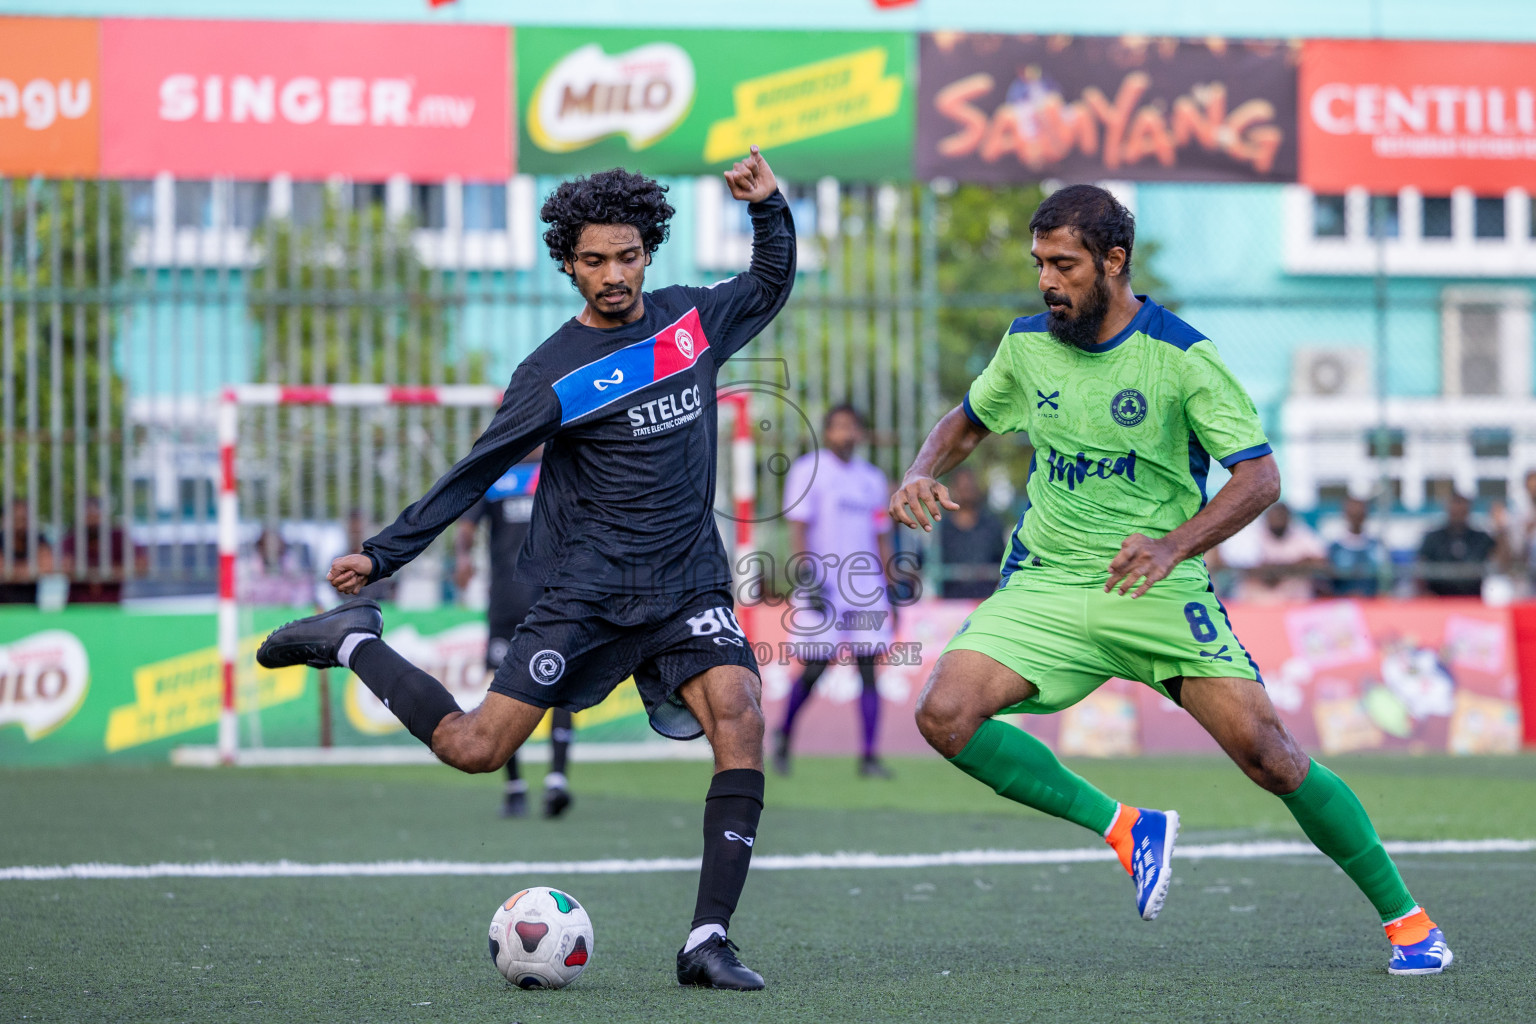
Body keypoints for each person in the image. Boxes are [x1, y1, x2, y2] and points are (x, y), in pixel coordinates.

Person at [258, 148, 794, 991]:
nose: (612, 275)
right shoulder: (552, 373)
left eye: (625, 255)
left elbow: (767, 282)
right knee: (476, 747)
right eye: (592, 260)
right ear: (567, 263)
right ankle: (352, 643)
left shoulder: (690, 324)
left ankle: (706, 940)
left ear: (648, 248)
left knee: (741, 711)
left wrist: (769, 207)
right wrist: (385, 553)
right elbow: (473, 471)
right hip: (587, 590)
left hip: (688, 578)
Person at [889, 184, 1451, 976]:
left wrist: (1173, 546)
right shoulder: (1026, 345)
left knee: (1271, 757)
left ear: (1114, 262)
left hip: (1158, 587)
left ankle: (1409, 921)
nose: (1047, 282)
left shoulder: (1184, 356)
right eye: (1039, 264)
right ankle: (1126, 828)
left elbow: (1259, 479)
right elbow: (968, 420)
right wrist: (919, 469)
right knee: (945, 714)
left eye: (1065, 265)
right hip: (1048, 581)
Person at [773, 404, 897, 779]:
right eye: (839, 427)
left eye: (852, 427)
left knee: (869, 671)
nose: (846, 433)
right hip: (822, 584)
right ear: (827, 433)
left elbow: (881, 536)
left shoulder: (872, 479)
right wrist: (805, 576)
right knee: (814, 669)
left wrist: (891, 585)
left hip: (866, 588)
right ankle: (784, 736)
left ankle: (870, 756)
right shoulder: (807, 471)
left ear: (860, 434)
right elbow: (798, 528)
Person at [454, 451, 575, 819]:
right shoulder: (497, 474)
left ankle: (557, 780)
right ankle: (515, 785)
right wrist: (463, 558)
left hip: (552, 599)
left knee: (560, 687)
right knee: (503, 690)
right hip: (505, 603)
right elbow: (466, 526)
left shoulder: (560, 469)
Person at [1224, 502, 1328, 604]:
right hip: (1260, 587)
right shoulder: (1254, 534)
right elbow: (1242, 563)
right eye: (1274, 516)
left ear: (1288, 518)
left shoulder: (1301, 533)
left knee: (1300, 583)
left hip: (1292, 590)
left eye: (1281, 516)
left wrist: (1291, 567)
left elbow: (1320, 560)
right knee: (1245, 586)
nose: (1278, 520)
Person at [937, 465, 1006, 599]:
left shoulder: (992, 525)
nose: (966, 491)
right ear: (954, 489)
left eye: (969, 487)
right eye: (962, 488)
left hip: (986, 600)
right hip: (948, 604)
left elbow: (1002, 560)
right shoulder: (940, 528)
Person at [1417, 492, 1496, 597]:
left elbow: (1499, 562)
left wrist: (1501, 530)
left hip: (1473, 598)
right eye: (1455, 509)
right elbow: (1420, 567)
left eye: (1462, 510)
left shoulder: (1481, 538)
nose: (1458, 513)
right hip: (1438, 598)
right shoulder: (1433, 538)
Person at [1326, 496, 1387, 597]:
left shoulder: (1377, 546)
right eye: (1352, 513)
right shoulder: (1335, 548)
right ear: (1345, 514)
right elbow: (1329, 583)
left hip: (1373, 605)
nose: (1356, 517)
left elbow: (1386, 580)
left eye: (1359, 513)